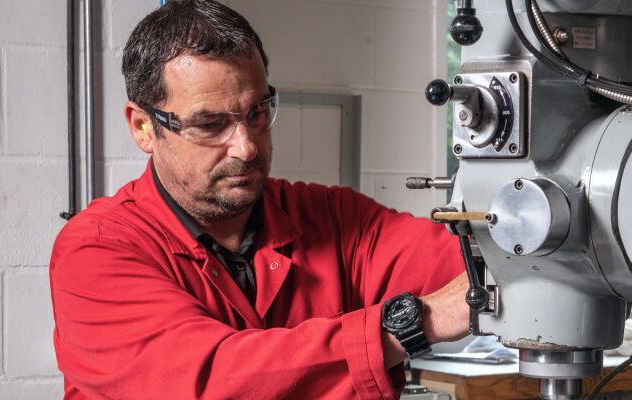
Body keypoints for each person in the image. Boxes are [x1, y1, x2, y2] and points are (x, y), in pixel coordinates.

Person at [49, 1, 469, 398]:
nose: (247, 147)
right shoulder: (96, 251)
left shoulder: (334, 218)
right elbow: (212, 382)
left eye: (258, 113)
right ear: (143, 127)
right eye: (211, 125)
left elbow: (478, 265)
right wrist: (416, 323)